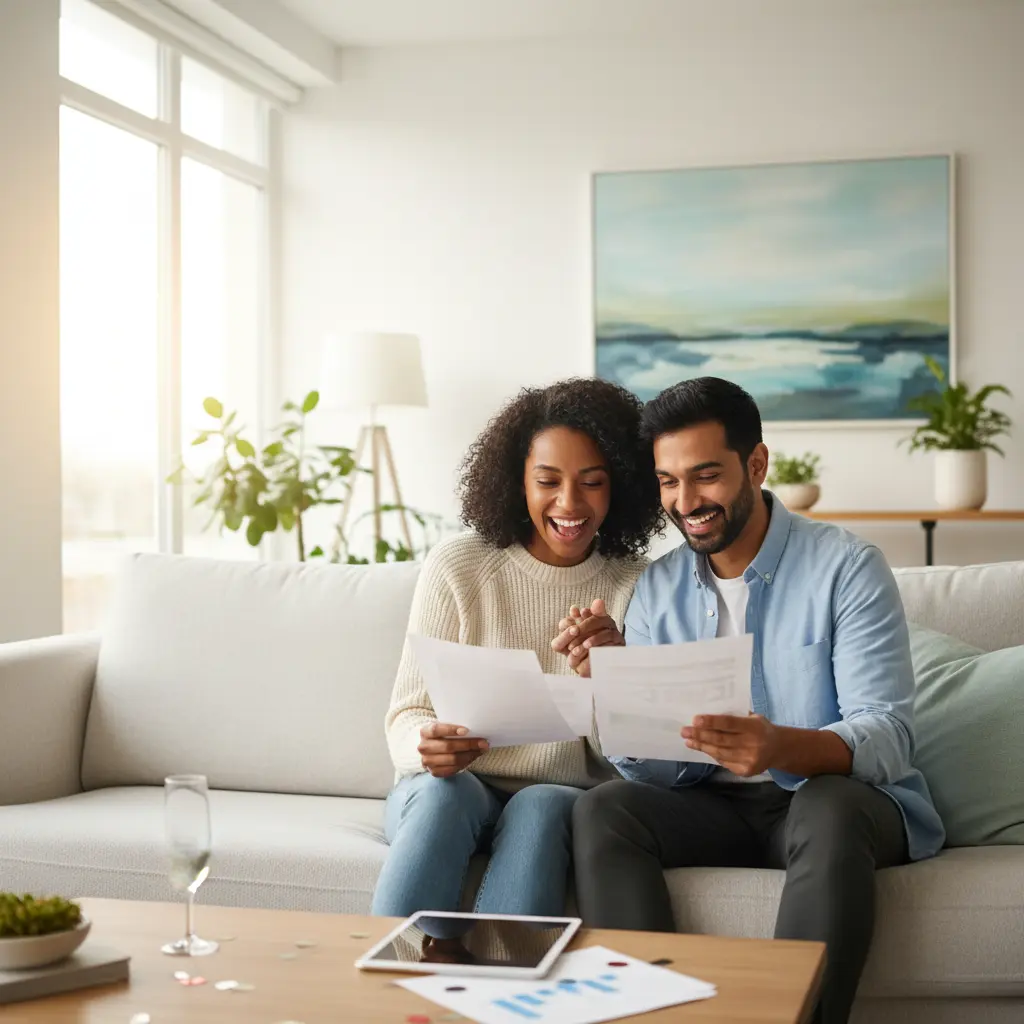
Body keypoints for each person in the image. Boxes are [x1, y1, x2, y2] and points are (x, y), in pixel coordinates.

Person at [554, 377, 945, 1024]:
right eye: (668, 482)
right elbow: (651, 772)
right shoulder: (658, 590)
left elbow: (888, 736)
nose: (686, 502)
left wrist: (779, 745)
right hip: (715, 807)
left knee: (827, 804)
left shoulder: (847, 567)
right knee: (605, 809)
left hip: (831, 806)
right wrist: (618, 687)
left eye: (705, 476)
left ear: (756, 464)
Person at [371, 377, 661, 955]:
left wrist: (610, 676)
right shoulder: (458, 566)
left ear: (620, 485)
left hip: (558, 793)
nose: (569, 504)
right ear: (517, 481)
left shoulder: (638, 585)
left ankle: (507, 979)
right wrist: (426, 745)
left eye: (592, 482)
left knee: (544, 803)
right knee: (447, 793)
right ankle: (415, 960)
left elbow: (634, 760)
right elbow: (407, 712)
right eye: (548, 481)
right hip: (450, 787)